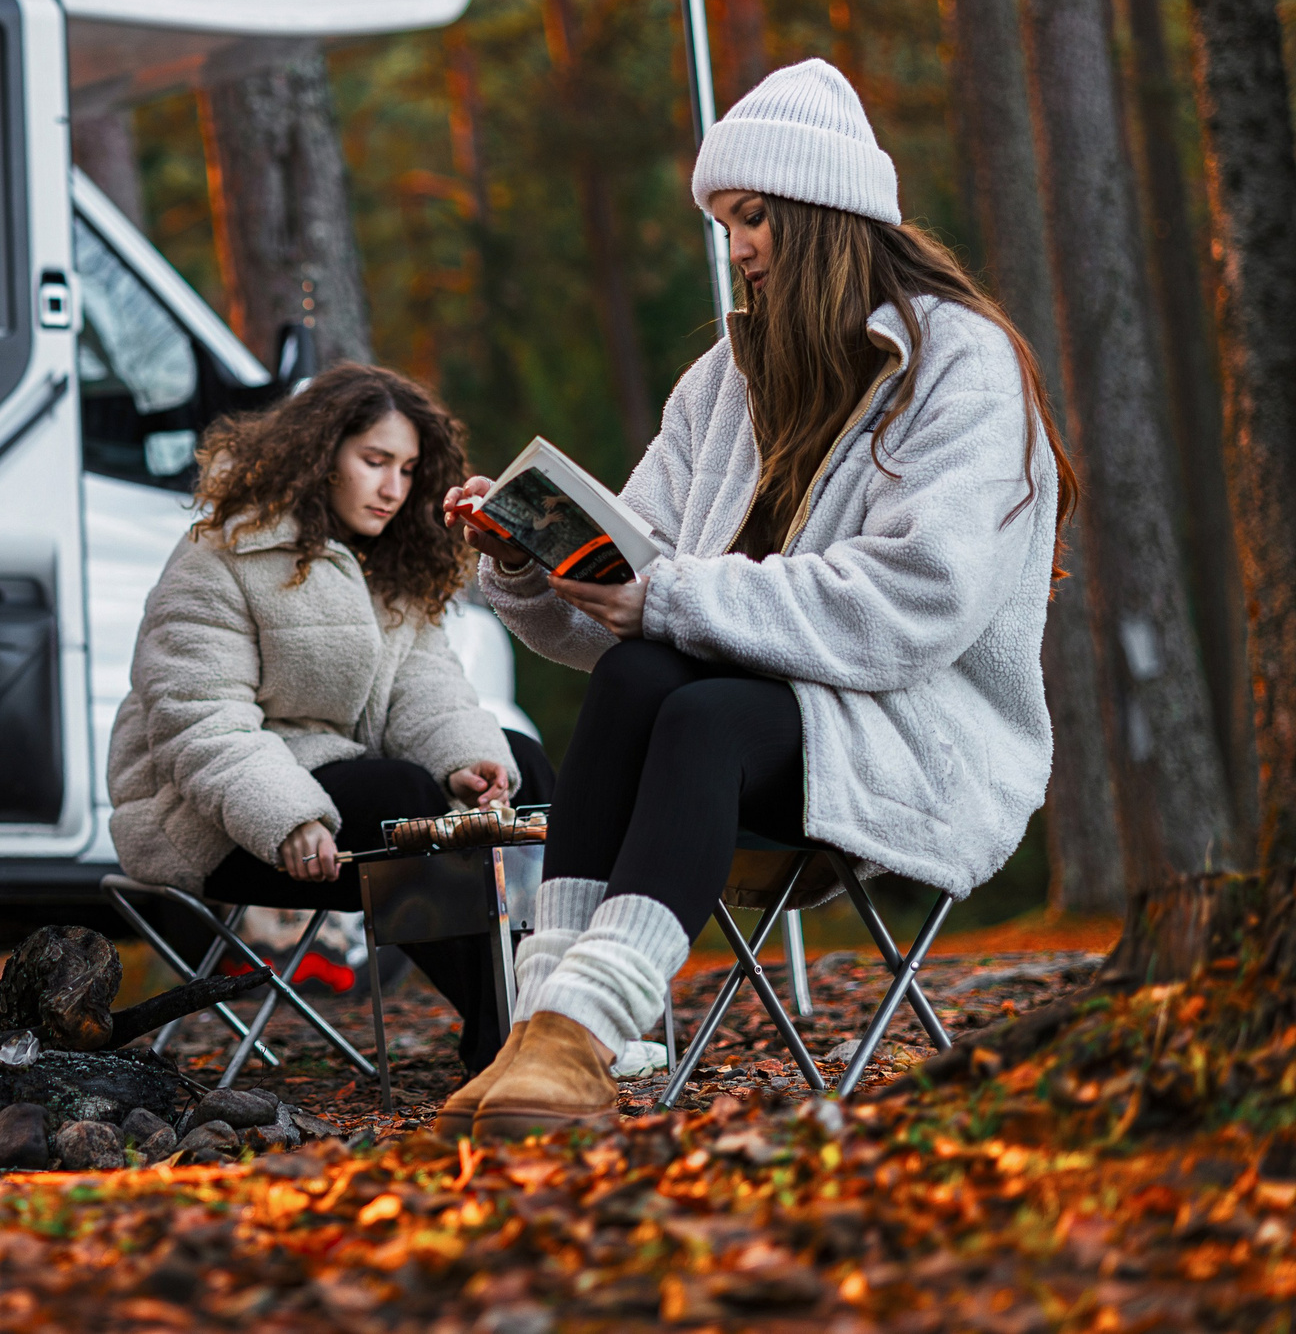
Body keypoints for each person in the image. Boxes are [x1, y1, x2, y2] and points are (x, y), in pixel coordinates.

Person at [439, 59, 1072, 1139]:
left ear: (824, 214)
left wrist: (672, 599)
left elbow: (918, 600)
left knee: (695, 701)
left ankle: (580, 1030)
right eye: (725, 222)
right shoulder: (722, 382)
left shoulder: (957, 365)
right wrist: (522, 556)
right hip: (741, 724)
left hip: (909, 730)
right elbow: (627, 603)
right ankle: (544, 1029)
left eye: (752, 216)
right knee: (648, 672)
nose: (735, 247)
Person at [105, 363, 551, 1069]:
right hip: (211, 817)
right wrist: (286, 815)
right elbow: (198, 718)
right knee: (401, 798)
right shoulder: (222, 554)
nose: (393, 488)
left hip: (342, 792)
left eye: (407, 469)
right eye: (374, 461)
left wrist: (469, 759)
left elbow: (424, 684)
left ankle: (547, 1014)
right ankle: (509, 1033)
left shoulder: (392, 563)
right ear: (319, 455)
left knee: (523, 764)